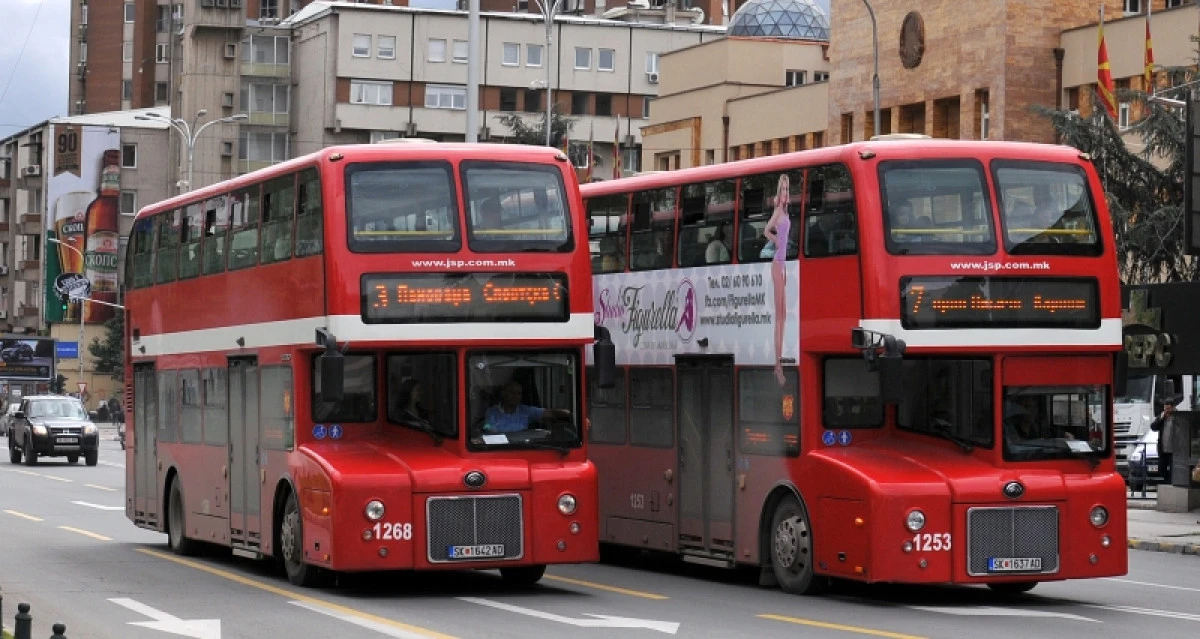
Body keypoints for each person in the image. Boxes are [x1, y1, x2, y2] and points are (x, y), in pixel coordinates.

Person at [763, 174, 791, 386]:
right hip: (777, 263)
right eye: (783, 189)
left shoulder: (785, 212)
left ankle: (779, 363)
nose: (785, 193)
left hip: (783, 264)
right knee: (779, 317)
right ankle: (777, 365)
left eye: (787, 189)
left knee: (783, 314)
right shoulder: (777, 212)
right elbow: (766, 230)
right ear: (778, 193)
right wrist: (777, 242)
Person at [483, 380, 570, 434]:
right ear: (503, 393)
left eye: (519, 394)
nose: (515, 396)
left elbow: (549, 413)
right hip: (499, 450)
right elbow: (488, 430)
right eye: (512, 393)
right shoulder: (491, 412)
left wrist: (570, 413)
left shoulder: (526, 411)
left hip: (523, 449)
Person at [1150, 399, 1178, 483]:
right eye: (1165, 408)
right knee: (1161, 469)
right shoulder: (1162, 417)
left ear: (1173, 408)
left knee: (1174, 470)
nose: (1166, 411)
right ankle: (1167, 481)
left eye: (1168, 409)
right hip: (1163, 449)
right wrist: (1161, 418)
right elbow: (1153, 427)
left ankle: (1171, 483)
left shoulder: (1178, 416)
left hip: (1174, 449)